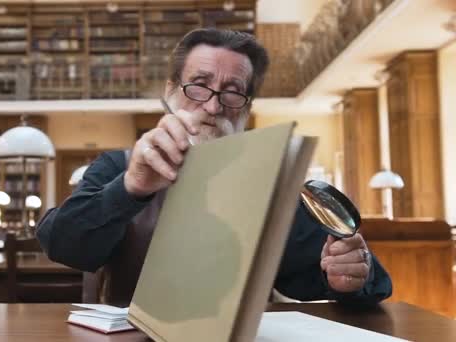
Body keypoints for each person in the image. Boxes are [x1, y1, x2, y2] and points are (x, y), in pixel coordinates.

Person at [36, 28, 392, 307]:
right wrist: (131, 187)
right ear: (170, 91)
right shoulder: (119, 166)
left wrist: (351, 278)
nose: (212, 106)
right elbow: (62, 245)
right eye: (199, 86)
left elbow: (351, 277)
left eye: (233, 91)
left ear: (246, 108)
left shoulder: (265, 185)